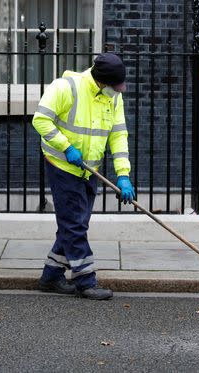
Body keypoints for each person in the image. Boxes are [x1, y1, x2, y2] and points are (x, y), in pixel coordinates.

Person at [32, 52, 135, 300]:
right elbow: (41, 120)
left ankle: (51, 276)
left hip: (90, 169)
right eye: (115, 86)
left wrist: (123, 174)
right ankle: (85, 280)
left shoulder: (114, 98)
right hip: (62, 166)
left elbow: (118, 135)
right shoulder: (66, 87)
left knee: (75, 223)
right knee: (74, 225)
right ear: (101, 81)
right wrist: (66, 147)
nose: (119, 91)